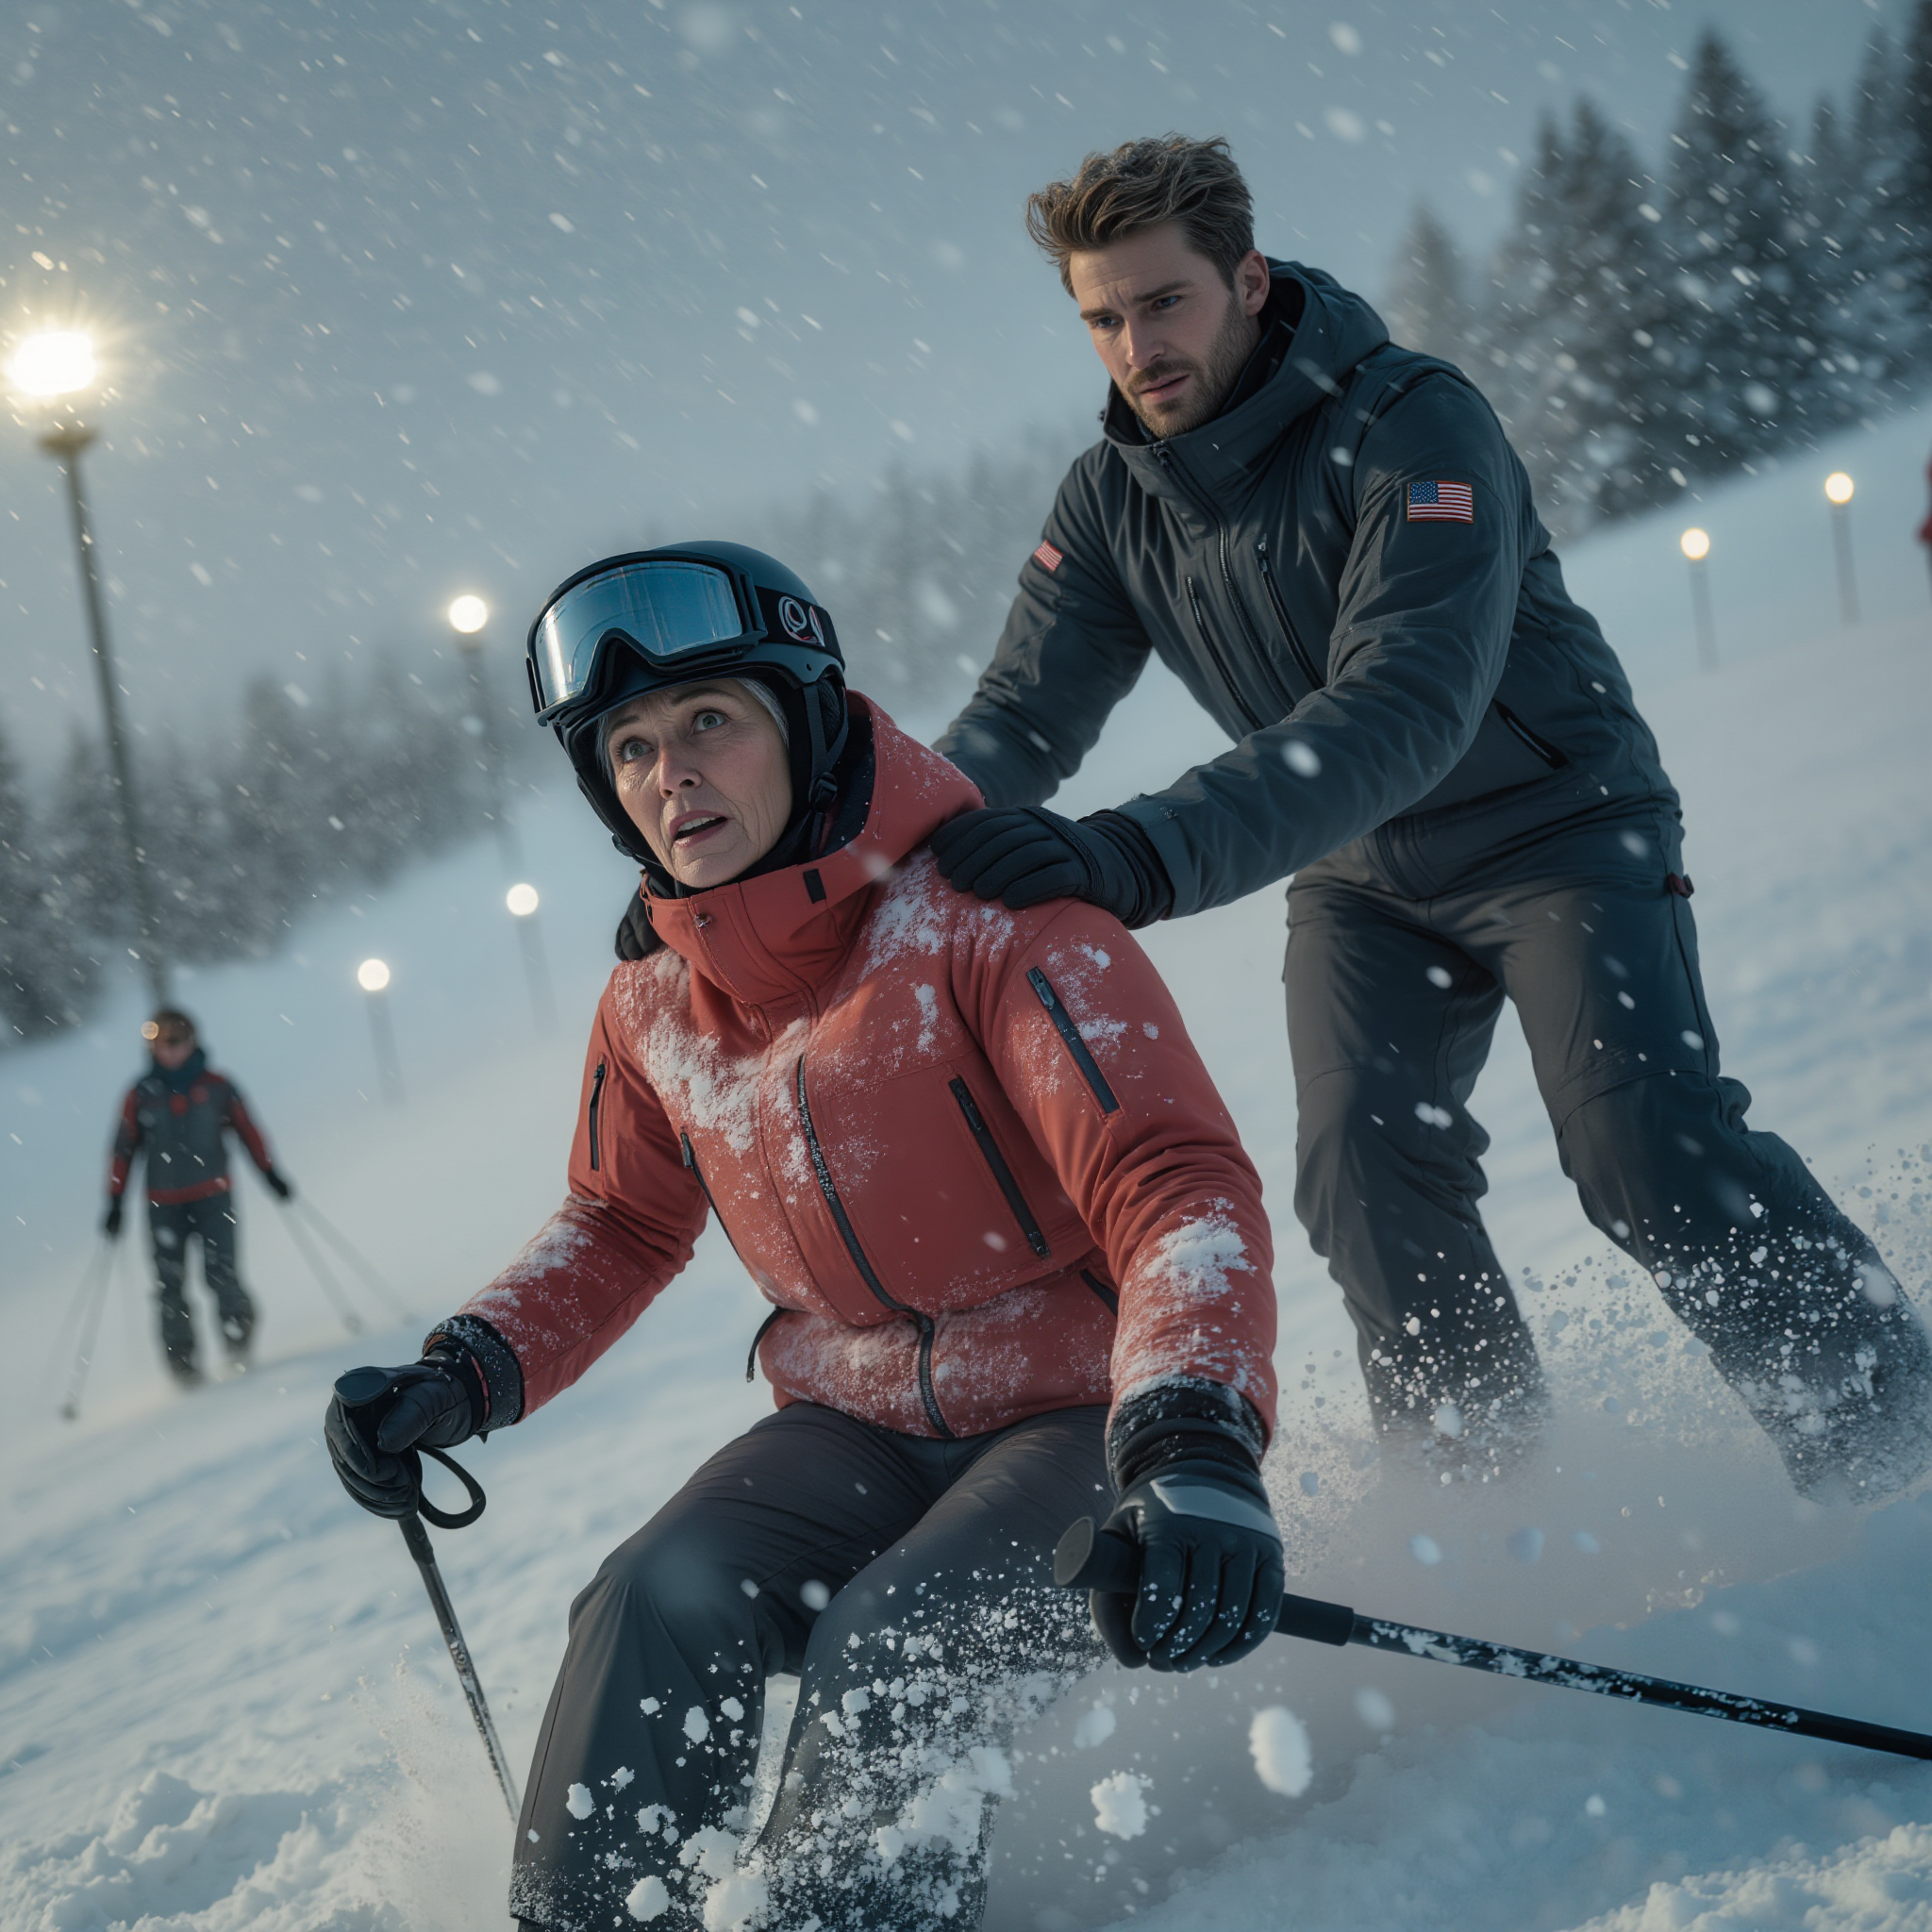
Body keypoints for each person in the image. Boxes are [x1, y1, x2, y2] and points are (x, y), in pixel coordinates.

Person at [930, 133, 1932, 1500]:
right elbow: (1016, 725)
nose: (1134, 345)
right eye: (1102, 317)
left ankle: (1894, 1450)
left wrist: (1135, 852)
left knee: (1641, 1142)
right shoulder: (1115, 501)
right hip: (1360, 881)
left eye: (1164, 302)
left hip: (1558, 829)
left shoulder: (1411, 421)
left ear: (1247, 278)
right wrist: (826, 845)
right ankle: (1492, 1514)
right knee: (1363, 1180)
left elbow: (1406, 701)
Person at [323, 542, 1284, 1932]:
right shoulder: (654, 1000)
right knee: (653, 1599)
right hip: (851, 1421)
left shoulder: (989, 917)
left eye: (712, 720)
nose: (672, 772)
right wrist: (465, 1369)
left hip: (1086, 1412)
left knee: (898, 1642)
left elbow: (1172, 1181)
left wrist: (1194, 1438)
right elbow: (619, 1219)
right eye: (632, 749)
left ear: (810, 719)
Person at [105, 1008, 292, 1383]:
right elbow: (123, 1149)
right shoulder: (141, 1095)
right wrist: (115, 1200)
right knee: (169, 1286)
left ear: (193, 1041)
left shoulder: (217, 1086)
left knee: (223, 1275)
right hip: (164, 1205)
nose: (170, 1050)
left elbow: (247, 1131)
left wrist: (270, 1173)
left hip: (213, 1198)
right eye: (161, 1043)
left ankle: (238, 1344)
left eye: (177, 1040)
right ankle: (184, 1367)